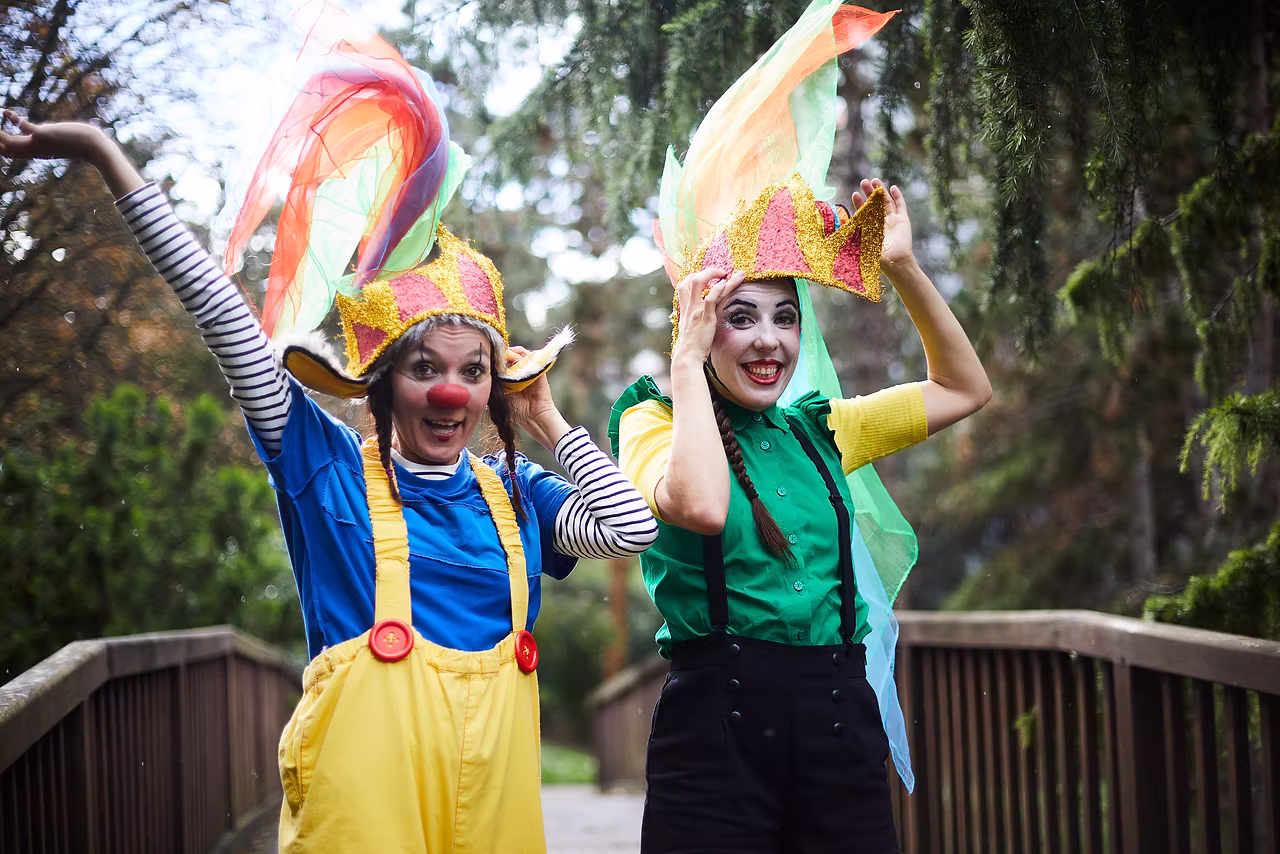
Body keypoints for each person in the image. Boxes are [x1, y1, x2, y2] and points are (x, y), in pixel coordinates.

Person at [0, 12, 657, 853]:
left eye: (473, 370)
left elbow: (630, 527)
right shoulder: (326, 469)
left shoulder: (514, 495)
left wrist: (545, 418)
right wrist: (103, 153)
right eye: (424, 368)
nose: (450, 391)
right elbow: (222, 316)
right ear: (381, 384)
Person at [607, 3, 991, 852]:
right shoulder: (650, 417)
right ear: (705, 326)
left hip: (835, 726)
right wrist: (684, 358)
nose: (770, 340)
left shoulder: (826, 431)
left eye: (786, 316)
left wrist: (903, 269)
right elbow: (700, 507)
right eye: (740, 318)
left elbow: (964, 389)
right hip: (716, 734)